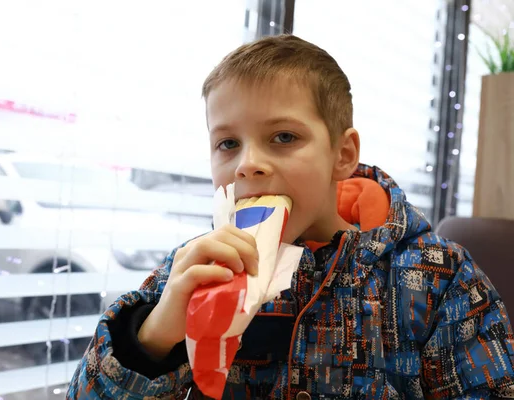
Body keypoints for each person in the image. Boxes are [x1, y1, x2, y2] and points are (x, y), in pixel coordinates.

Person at [67, 34, 514, 399]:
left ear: (342, 154)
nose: (247, 164)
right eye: (227, 144)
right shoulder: (195, 270)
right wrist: (153, 337)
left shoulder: (443, 278)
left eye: (283, 136)